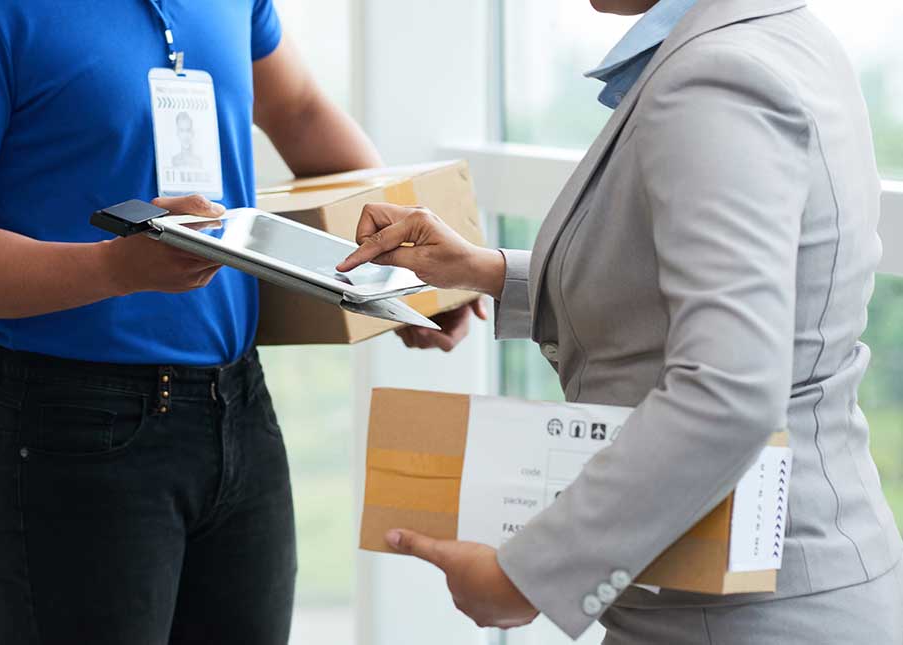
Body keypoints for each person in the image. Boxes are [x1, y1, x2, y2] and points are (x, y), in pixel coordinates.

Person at [338, 0, 903, 642]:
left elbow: (730, 390)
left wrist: (525, 577)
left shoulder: (716, 78)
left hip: (742, 611)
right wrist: (487, 271)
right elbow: (738, 296)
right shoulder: (780, 33)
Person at [0, 1, 481, 644]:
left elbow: (299, 110)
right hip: (74, 425)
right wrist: (116, 269)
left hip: (240, 406)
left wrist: (400, 274)